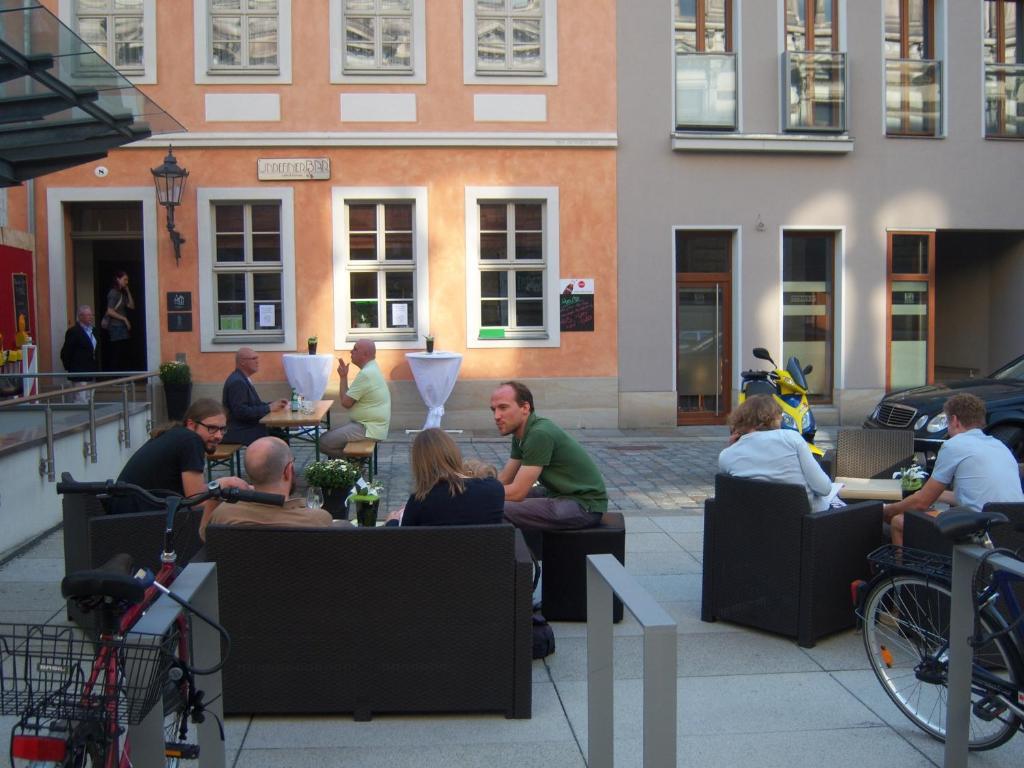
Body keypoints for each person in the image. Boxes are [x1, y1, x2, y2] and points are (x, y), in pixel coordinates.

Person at [883, 393, 1024, 545]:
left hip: (981, 530)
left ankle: (902, 569)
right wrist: (938, 495)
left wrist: (888, 510)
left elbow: (921, 503)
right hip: (1013, 528)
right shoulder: (999, 446)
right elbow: (975, 495)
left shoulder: (955, 445)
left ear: (955, 420)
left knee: (899, 521)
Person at [491, 381, 608, 530]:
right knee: (492, 502)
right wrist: (475, 489)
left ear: (525, 408)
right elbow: (505, 479)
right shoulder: (521, 434)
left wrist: (475, 496)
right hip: (559, 495)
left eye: (503, 408)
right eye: (493, 410)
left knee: (496, 509)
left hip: (583, 505)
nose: (496, 416)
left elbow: (517, 492)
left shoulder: (539, 434)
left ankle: (520, 553)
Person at [107, 398, 249, 518]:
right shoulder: (191, 441)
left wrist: (223, 484)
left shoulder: (176, 435)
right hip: (136, 520)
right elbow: (196, 501)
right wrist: (229, 492)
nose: (218, 435)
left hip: (125, 513)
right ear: (191, 425)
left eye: (222, 429)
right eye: (211, 428)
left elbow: (193, 493)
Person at [201, 436, 338, 538]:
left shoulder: (225, 515)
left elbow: (204, 536)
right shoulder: (318, 520)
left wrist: (215, 493)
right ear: (288, 470)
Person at [718, 395, 834, 512]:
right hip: (806, 521)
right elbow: (824, 488)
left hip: (754, 523)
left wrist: (731, 448)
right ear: (774, 418)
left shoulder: (726, 455)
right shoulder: (791, 438)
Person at [385, 428, 504, 527]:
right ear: (454, 452)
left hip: (436, 555)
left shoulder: (419, 501)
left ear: (419, 464)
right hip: (486, 554)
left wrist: (392, 521)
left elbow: (402, 543)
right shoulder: (494, 489)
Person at [319, 339, 391, 456]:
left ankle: (353, 467)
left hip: (368, 428)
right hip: (370, 426)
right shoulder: (371, 368)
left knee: (323, 442)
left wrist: (343, 378)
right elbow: (347, 399)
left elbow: (346, 403)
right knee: (331, 437)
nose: (351, 351)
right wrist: (343, 377)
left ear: (365, 354)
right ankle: (354, 463)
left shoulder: (366, 374)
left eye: (355, 349)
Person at [222, 347, 289, 445]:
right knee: (276, 435)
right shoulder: (237, 382)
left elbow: (254, 405)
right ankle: (278, 459)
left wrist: (275, 404)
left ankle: (283, 459)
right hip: (239, 430)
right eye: (253, 359)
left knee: (277, 431)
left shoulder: (242, 378)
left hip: (246, 426)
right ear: (242, 362)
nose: (257, 362)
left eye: (257, 358)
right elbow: (241, 412)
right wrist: (269, 408)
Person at [60, 305, 99, 403]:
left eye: (91, 315)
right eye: (88, 315)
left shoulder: (93, 331)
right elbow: (66, 352)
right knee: (80, 400)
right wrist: (71, 368)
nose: (91, 317)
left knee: (90, 399)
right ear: (80, 316)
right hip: (79, 372)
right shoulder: (74, 332)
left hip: (92, 371)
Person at [104, 270, 135, 372]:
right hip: (116, 327)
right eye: (124, 279)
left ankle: (120, 377)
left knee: (123, 353)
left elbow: (131, 306)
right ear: (118, 279)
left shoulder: (121, 294)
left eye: (127, 280)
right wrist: (124, 319)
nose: (126, 282)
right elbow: (110, 311)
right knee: (117, 353)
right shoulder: (113, 293)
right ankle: (115, 377)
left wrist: (128, 291)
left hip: (121, 327)